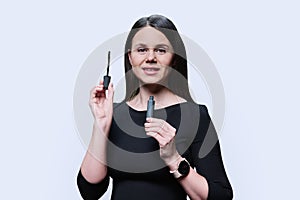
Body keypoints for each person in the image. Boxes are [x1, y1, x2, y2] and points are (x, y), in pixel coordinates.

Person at [77, 14, 233, 200]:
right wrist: (101, 124)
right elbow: (89, 191)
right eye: (142, 50)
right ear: (130, 57)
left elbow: (221, 196)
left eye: (160, 50)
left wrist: (173, 158)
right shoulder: (114, 114)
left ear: (174, 58)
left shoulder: (195, 116)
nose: (150, 58)